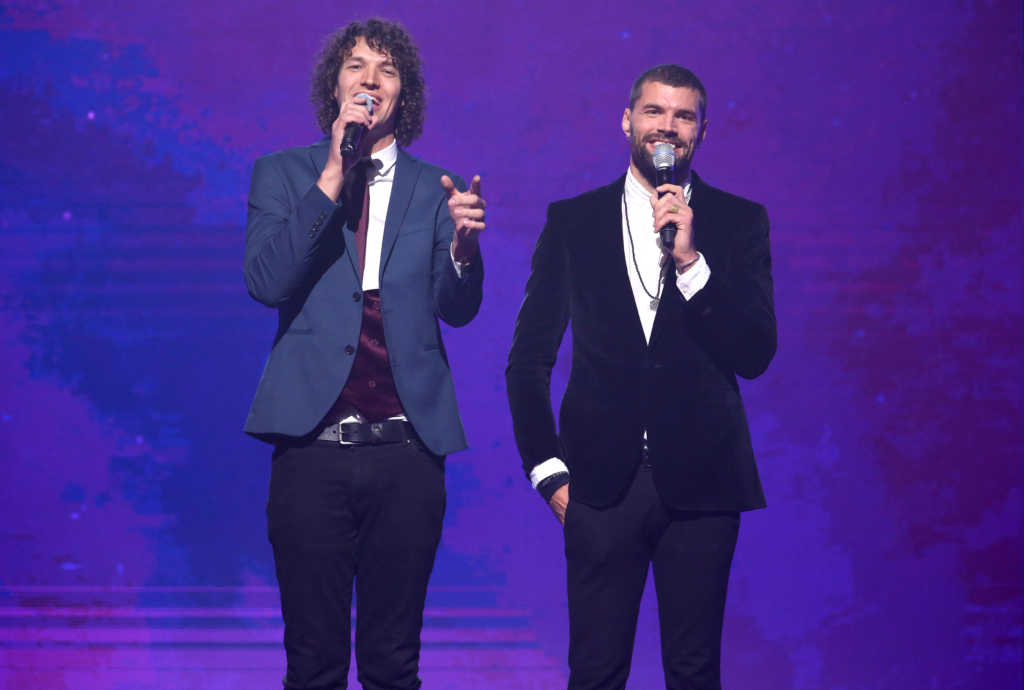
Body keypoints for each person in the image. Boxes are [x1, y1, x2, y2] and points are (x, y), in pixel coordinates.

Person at [506, 64, 776, 689]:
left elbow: (756, 352)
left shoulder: (739, 223)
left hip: (705, 486)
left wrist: (690, 262)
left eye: (683, 117)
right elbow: (527, 361)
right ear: (628, 121)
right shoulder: (573, 221)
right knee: (595, 672)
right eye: (655, 112)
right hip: (599, 487)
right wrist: (547, 472)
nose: (668, 127)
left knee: (694, 670)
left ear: (701, 132)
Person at [243, 18, 485, 690]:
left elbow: (459, 310)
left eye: (387, 68)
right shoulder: (283, 173)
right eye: (355, 65)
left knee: (392, 662)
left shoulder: (436, 188)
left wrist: (465, 253)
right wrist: (331, 175)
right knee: (314, 662)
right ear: (335, 86)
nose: (370, 78)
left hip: (406, 454)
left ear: (404, 95)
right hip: (310, 452)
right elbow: (267, 282)